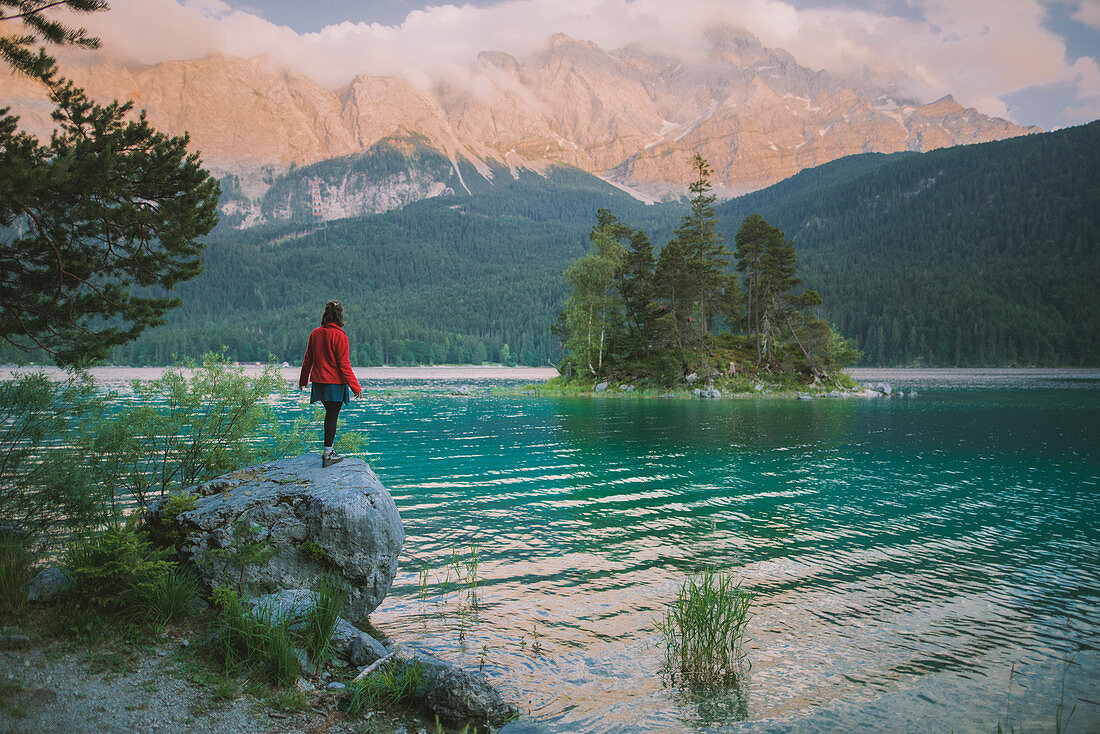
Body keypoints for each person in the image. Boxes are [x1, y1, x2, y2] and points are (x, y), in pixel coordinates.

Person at [299, 300, 362, 467]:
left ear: (325, 314)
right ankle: (328, 454)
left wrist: (303, 380)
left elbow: (308, 360)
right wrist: (355, 386)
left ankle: (329, 450)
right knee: (332, 416)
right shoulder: (340, 336)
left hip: (319, 382)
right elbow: (344, 365)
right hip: (334, 384)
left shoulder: (315, 333)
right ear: (340, 315)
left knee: (329, 415)